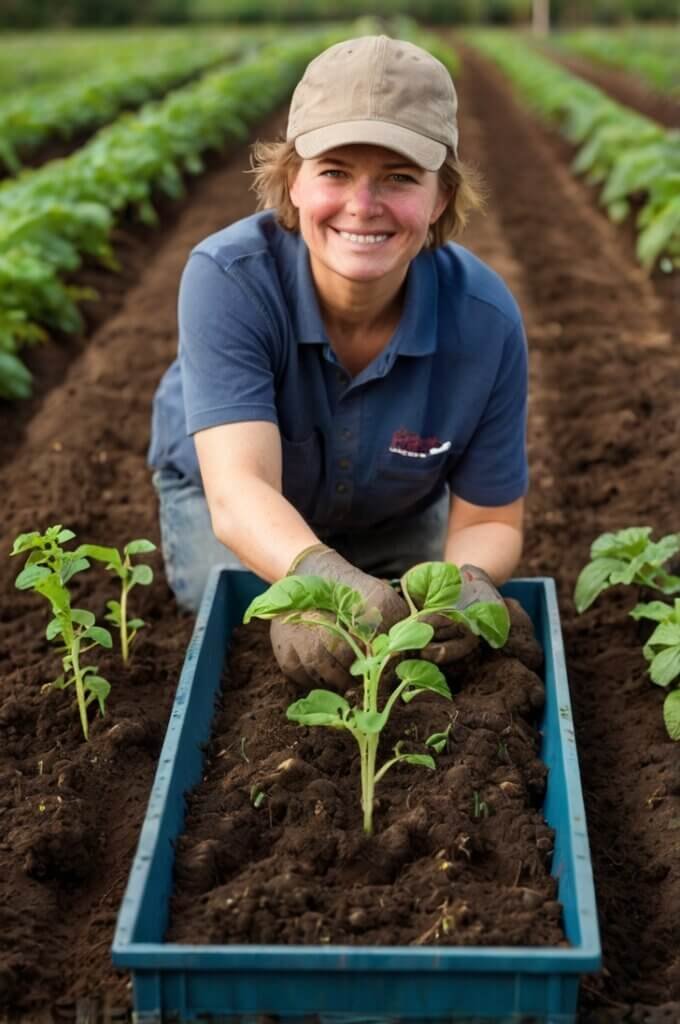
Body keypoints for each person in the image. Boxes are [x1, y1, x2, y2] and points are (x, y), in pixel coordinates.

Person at [147, 34, 529, 688]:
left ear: (440, 198)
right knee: (252, 637)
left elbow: (491, 519)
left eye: (400, 178)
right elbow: (240, 493)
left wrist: (467, 584)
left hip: (394, 508)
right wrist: (310, 580)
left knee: (422, 641)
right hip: (238, 511)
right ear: (292, 181)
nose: (363, 205)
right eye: (335, 172)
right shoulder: (230, 278)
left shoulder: (484, 320)